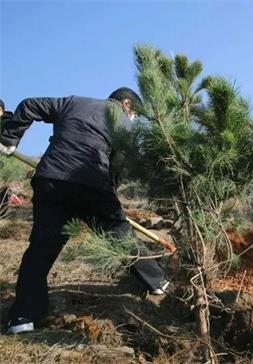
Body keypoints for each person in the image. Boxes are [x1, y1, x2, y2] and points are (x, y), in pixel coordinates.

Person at [0, 88, 169, 334]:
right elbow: (118, 166)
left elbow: (29, 104)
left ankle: (22, 318)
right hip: (93, 185)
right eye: (136, 114)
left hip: (51, 181)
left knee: (41, 249)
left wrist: (9, 137)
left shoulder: (73, 102)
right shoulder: (122, 119)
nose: (134, 119)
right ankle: (158, 282)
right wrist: (111, 192)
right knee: (120, 237)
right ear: (126, 104)